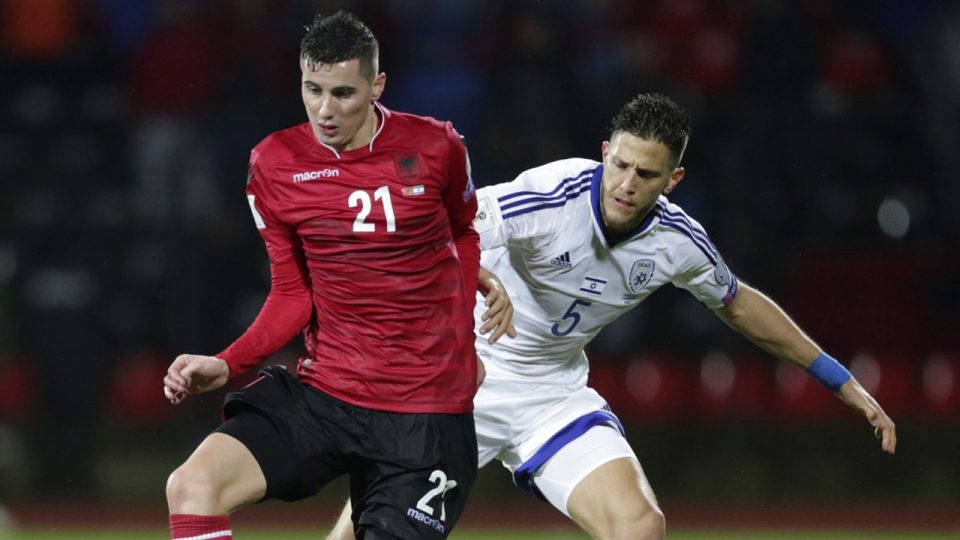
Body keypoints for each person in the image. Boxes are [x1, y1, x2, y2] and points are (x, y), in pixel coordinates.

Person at [327, 92, 897, 540]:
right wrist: (482, 281)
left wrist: (838, 379)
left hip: (551, 396)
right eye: (620, 164)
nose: (625, 184)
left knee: (639, 527)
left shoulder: (677, 241)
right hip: (458, 380)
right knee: (372, 530)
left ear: (672, 180)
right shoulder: (551, 195)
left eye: (646, 175)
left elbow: (739, 304)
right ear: (605, 151)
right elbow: (444, 231)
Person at [161, 11, 508, 540]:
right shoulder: (274, 164)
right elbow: (292, 292)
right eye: (313, 90)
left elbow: (463, 233)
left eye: (343, 93)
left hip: (425, 414)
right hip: (327, 394)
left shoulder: (437, 147)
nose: (325, 109)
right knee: (192, 485)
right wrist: (227, 363)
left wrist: (461, 340)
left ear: (376, 86)